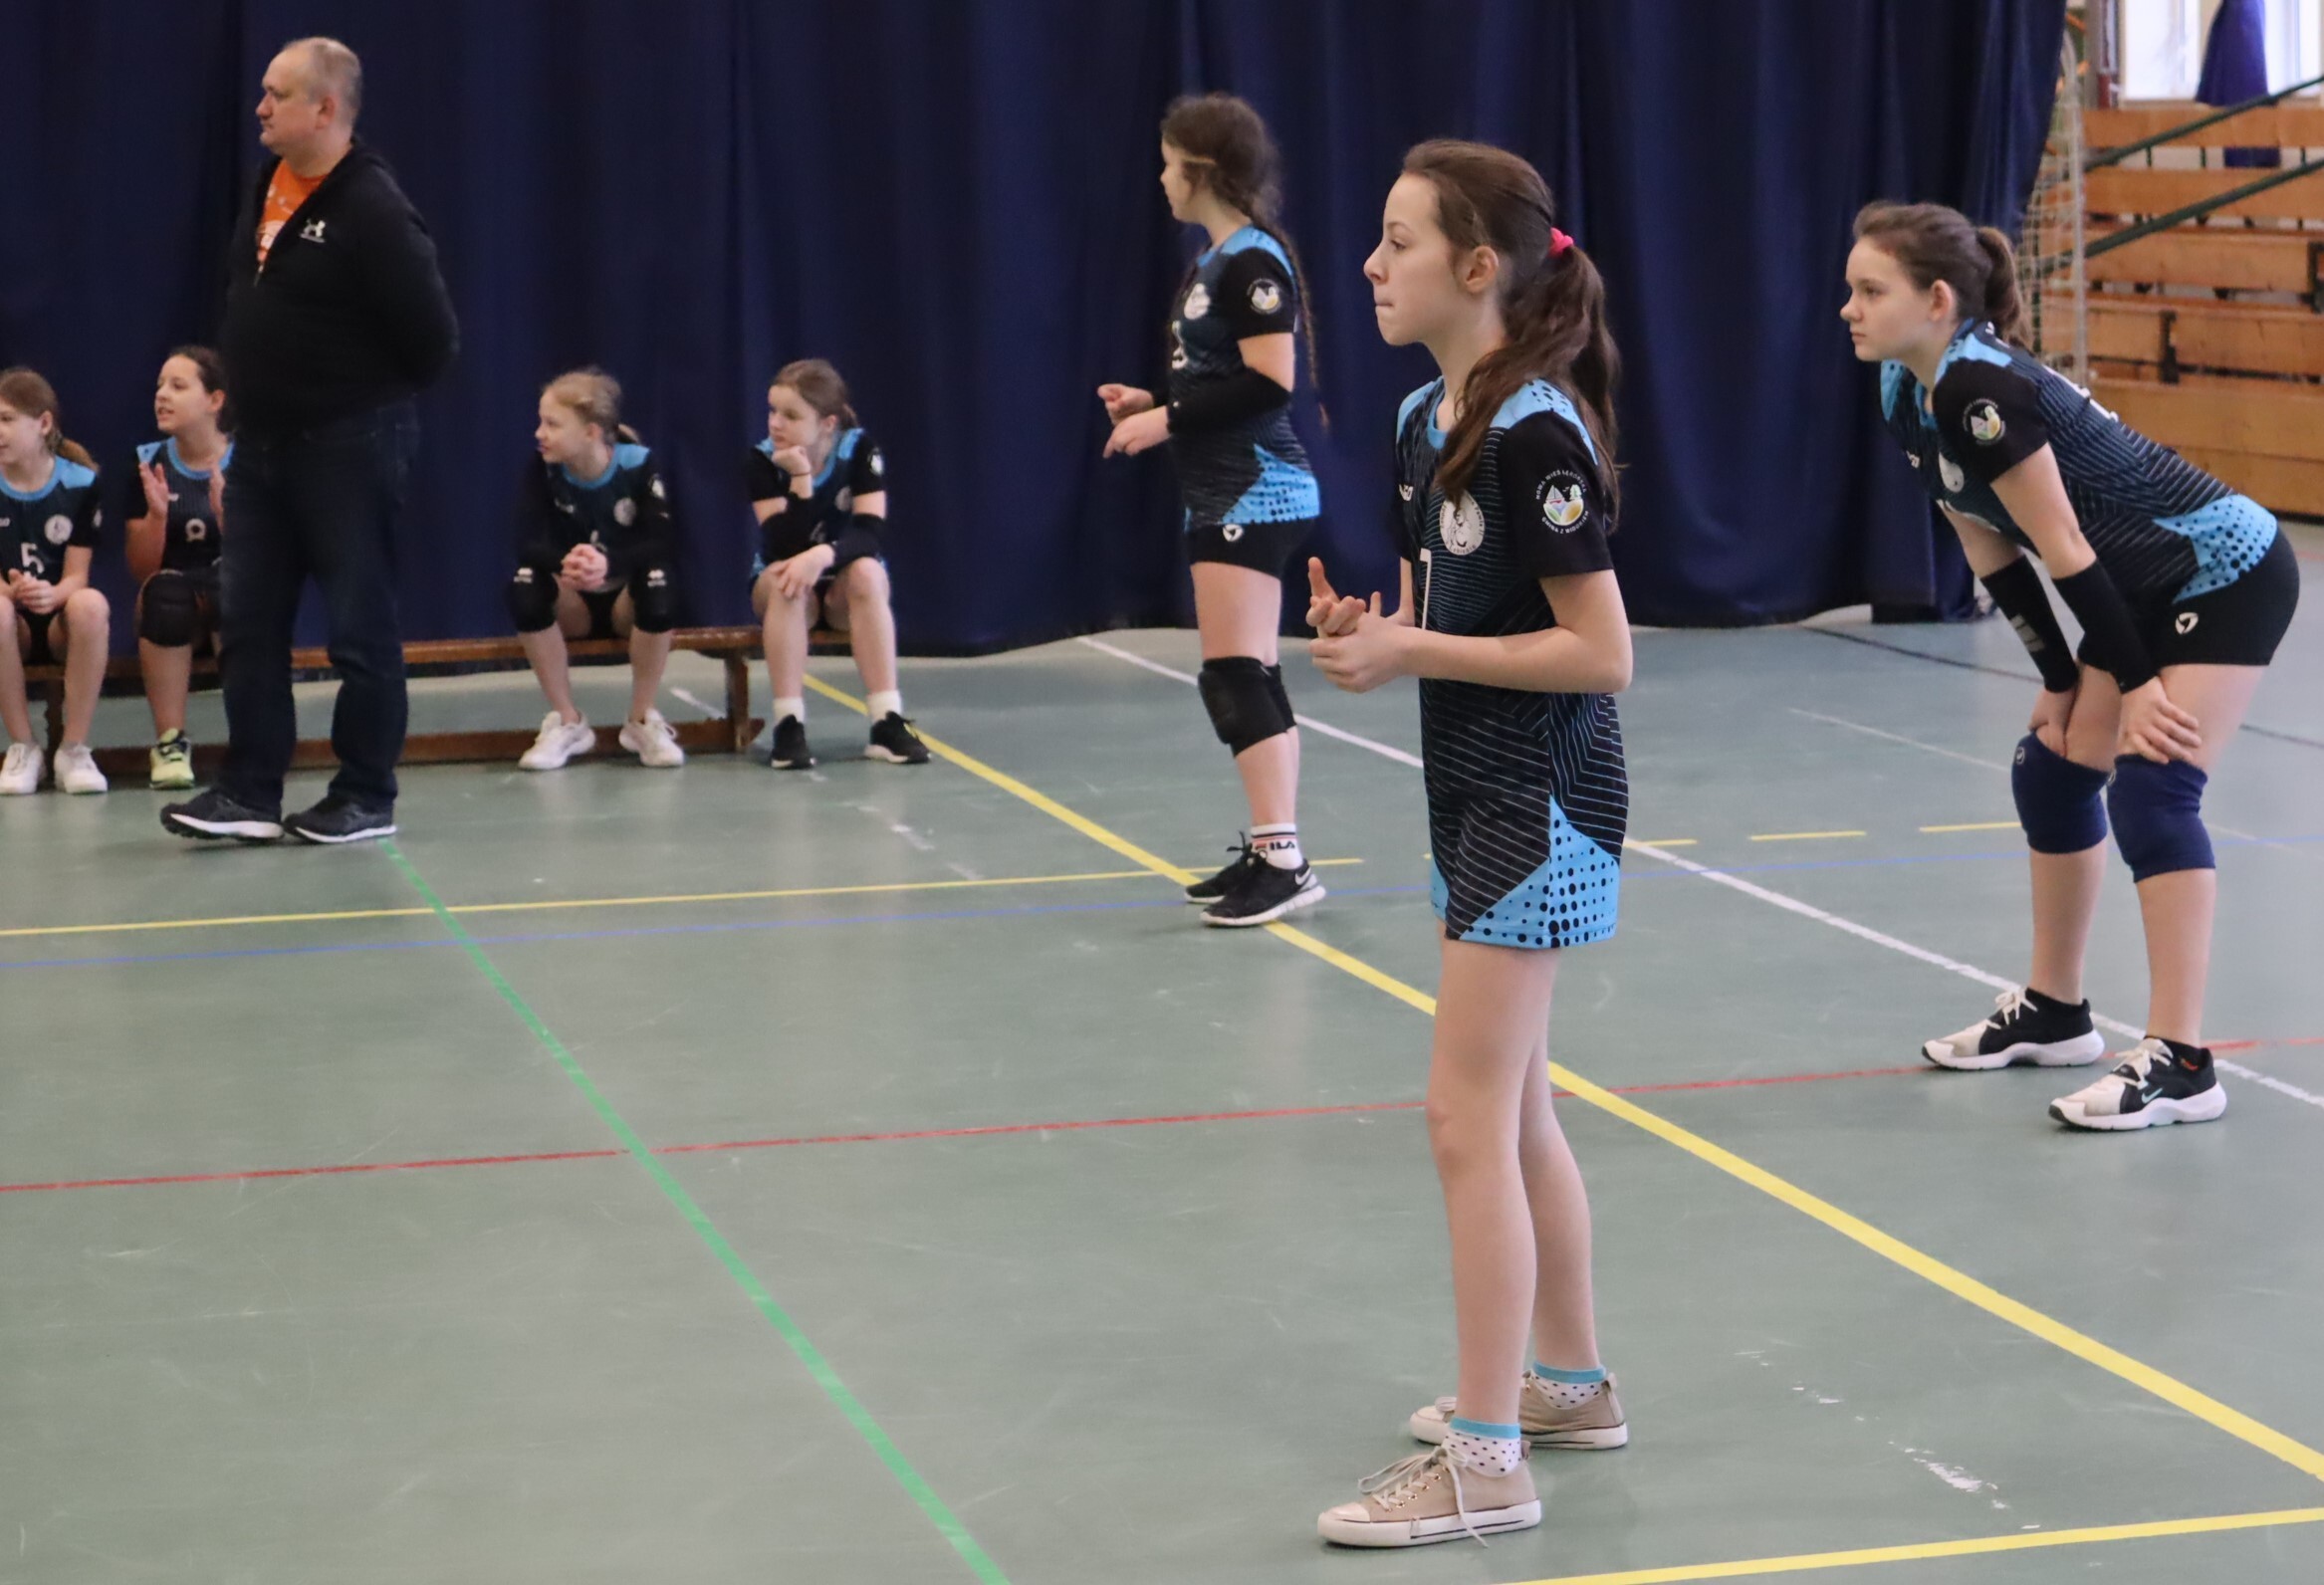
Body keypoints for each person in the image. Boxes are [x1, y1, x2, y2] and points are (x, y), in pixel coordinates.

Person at [1306, 141, 1633, 1548]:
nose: (1370, 265)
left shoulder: (1535, 433)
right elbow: (1445, 610)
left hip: (1540, 810)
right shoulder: (1422, 419)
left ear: (1479, 266)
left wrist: (1416, 650)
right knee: (1516, 1111)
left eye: (1399, 241)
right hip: (1468, 798)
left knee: (1463, 1121)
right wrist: (1370, 633)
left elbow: (1600, 653)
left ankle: (1488, 1462)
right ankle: (1569, 1384)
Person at [1846, 201, 2299, 1130]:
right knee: (2052, 772)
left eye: (1870, 291)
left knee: (2154, 788)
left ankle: (2184, 1061)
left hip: (2225, 570)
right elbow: (1986, 544)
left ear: (1938, 300)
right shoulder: (1905, 389)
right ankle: (2057, 1013)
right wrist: (2058, 681)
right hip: (2135, 587)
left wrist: (2137, 688)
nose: (1848, 309)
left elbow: (2065, 550)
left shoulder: (1981, 391)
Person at [162, 36, 457, 845]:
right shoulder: (268, 181)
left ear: (325, 109)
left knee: (360, 629)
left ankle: (365, 796)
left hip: (349, 447)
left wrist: (346, 396)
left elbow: (434, 342)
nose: (259, 107)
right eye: (261, 91)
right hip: (259, 448)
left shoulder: (373, 207)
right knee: (249, 621)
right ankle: (249, 793)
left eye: (278, 94)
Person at [1098, 92, 1325, 927]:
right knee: (1248, 671)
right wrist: (1152, 400)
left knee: (1233, 674)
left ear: (1201, 170)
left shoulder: (1252, 263)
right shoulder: (1214, 262)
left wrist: (1167, 419)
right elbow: (1220, 379)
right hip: (1224, 490)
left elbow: (1271, 383)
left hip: (1256, 491)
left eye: (1168, 165)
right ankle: (1275, 850)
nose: (1160, 179)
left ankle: (1283, 859)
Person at [748, 358, 928, 769]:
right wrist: (800, 479)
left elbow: (870, 533)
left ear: (828, 424)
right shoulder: (761, 461)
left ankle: (886, 720)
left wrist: (823, 554)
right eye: (772, 411)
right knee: (786, 581)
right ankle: (789, 724)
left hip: (842, 587)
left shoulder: (860, 451)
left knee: (868, 571)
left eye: (791, 415)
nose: (776, 423)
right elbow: (782, 544)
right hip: (786, 583)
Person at [508, 369, 686, 771]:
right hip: (574, 603)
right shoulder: (543, 468)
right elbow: (525, 541)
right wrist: (566, 563)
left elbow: (662, 540)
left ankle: (641, 720)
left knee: (659, 582)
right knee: (524, 584)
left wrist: (610, 563)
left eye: (552, 424)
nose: (539, 433)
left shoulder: (637, 464)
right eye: (540, 422)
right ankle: (567, 720)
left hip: (624, 602)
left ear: (590, 432)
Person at [122, 348, 233, 790]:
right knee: (166, 595)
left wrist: (226, 517)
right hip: (172, 599)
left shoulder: (248, 460)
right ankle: (170, 743)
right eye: (159, 387)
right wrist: (156, 517)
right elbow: (141, 570)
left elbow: (268, 560)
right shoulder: (147, 463)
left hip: (229, 590)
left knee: (235, 586)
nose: (162, 396)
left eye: (178, 386)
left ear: (215, 400)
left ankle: (252, 738)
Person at [0, 368, 111, 795]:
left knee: (91, 604)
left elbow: (77, 576)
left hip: (60, 621)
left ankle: (73, 749)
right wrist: (11, 591)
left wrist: (52, 594)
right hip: (14, 624)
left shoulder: (80, 483)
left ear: (43, 423)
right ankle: (23, 747)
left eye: (7, 419)